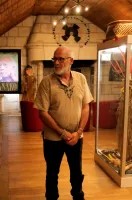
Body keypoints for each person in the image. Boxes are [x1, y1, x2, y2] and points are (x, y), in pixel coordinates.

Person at [34, 46, 93, 200]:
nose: (57, 62)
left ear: (71, 61)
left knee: (76, 172)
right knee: (52, 173)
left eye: (61, 59)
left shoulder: (81, 78)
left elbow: (86, 107)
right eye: (55, 59)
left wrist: (78, 132)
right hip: (53, 139)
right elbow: (42, 113)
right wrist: (62, 132)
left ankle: (78, 197)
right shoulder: (46, 83)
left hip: (75, 138)